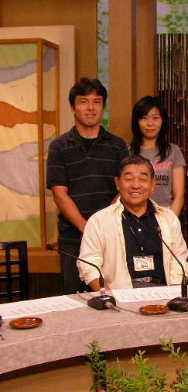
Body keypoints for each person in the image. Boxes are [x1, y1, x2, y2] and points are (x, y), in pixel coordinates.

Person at [46, 77, 128, 294]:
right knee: (75, 299)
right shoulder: (59, 147)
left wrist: (102, 227)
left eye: (97, 102)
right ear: (73, 107)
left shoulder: (118, 146)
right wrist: (89, 229)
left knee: (111, 296)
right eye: (83, 101)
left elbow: (124, 189)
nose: (90, 107)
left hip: (111, 235)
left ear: (103, 107)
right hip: (73, 238)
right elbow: (59, 194)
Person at [78, 155, 188, 290]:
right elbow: (89, 265)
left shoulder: (168, 218)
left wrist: (173, 294)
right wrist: (108, 295)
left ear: (153, 184)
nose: (136, 185)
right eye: (128, 179)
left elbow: (179, 260)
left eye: (143, 179)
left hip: (164, 293)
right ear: (117, 183)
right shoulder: (99, 221)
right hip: (118, 294)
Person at [129, 96, 185, 216]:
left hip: (165, 215)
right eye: (144, 118)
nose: (150, 124)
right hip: (133, 216)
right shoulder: (128, 151)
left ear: (162, 121)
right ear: (136, 122)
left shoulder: (173, 151)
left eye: (155, 118)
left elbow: (179, 196)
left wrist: (169, 222)